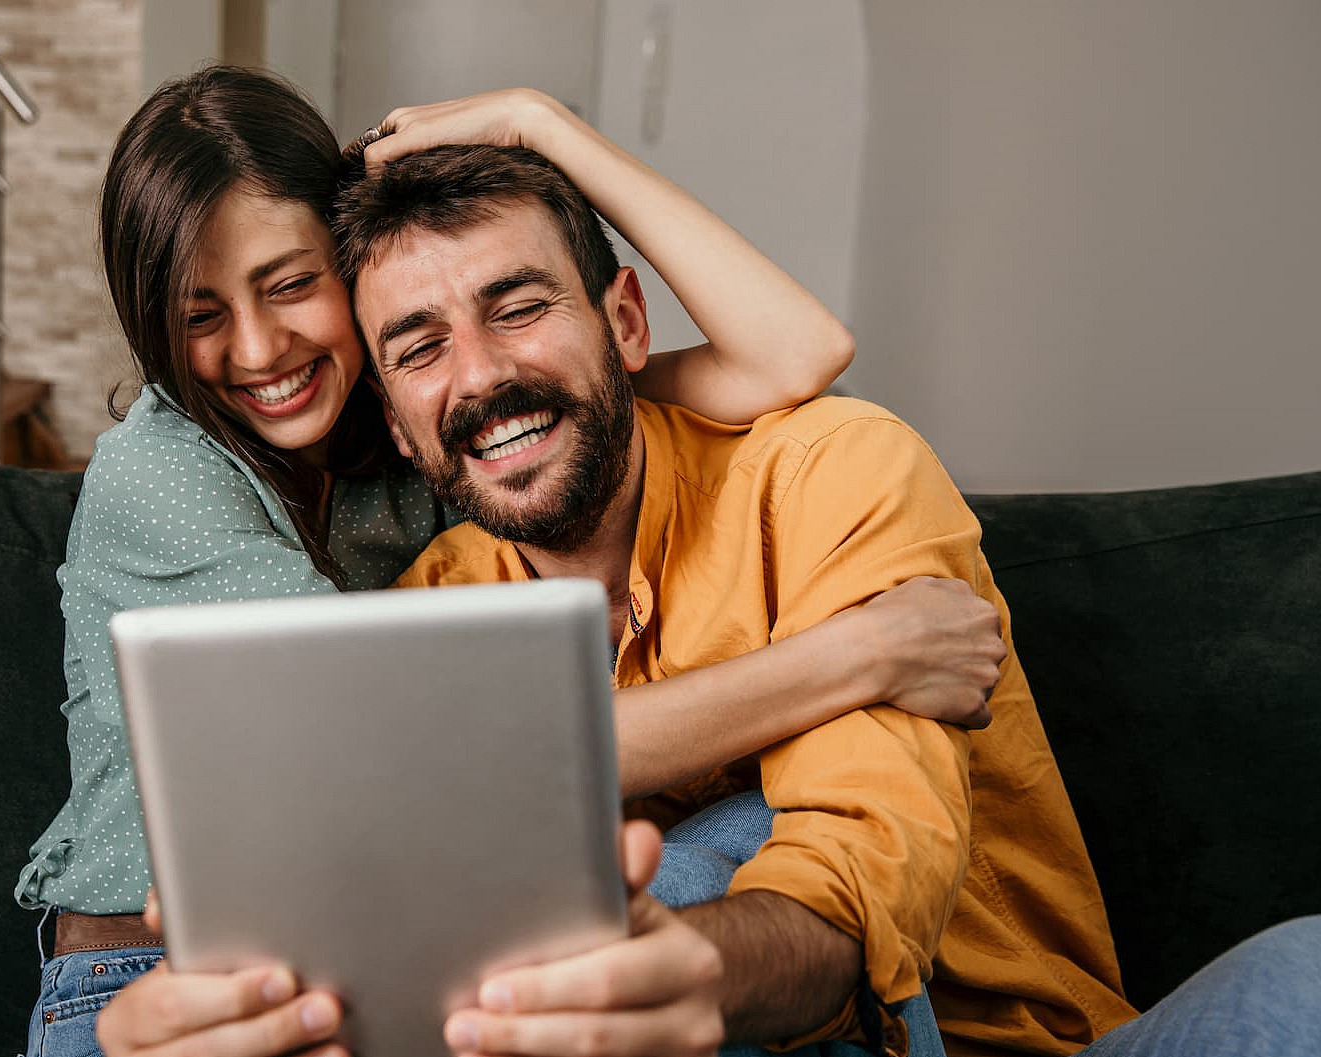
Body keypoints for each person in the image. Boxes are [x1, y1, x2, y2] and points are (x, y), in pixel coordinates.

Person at [20, 70, 1007, 1057]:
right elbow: (403, 769)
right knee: (688, 864)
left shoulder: (423, 428)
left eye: (290, 284)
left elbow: (792, 350)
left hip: (352, 931)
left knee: (702, 863)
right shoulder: (159, 471)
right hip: (144, 978)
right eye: (200, 317)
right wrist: (859, 656)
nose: (259, 347)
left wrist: (539, 124)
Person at [328, 133, 1321, 1055]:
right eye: (420, 349)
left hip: (971, 1041)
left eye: (521, 307)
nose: (484, 375)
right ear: (400, 426)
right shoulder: (436, 607)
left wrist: (691, 970)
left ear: (626, 322)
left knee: (1302, 974)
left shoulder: (830, 473)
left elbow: (853, 872)